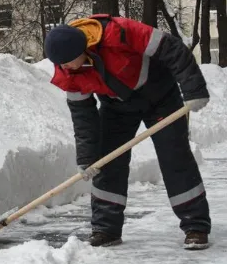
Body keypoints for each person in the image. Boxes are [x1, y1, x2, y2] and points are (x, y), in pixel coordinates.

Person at [44, 14, 211, 249]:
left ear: (83, 47)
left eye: (68, 61)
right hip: (117, 106)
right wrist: (88, 158)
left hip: (161, 97)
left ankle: (196, 225)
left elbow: (172, 48)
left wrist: (194, 89)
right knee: (107, 162)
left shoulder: (118, 32)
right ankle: (106, 229)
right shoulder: (68, 72)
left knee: (175, 158)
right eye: (59, 64)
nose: (64, 67)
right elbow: (83, 117)